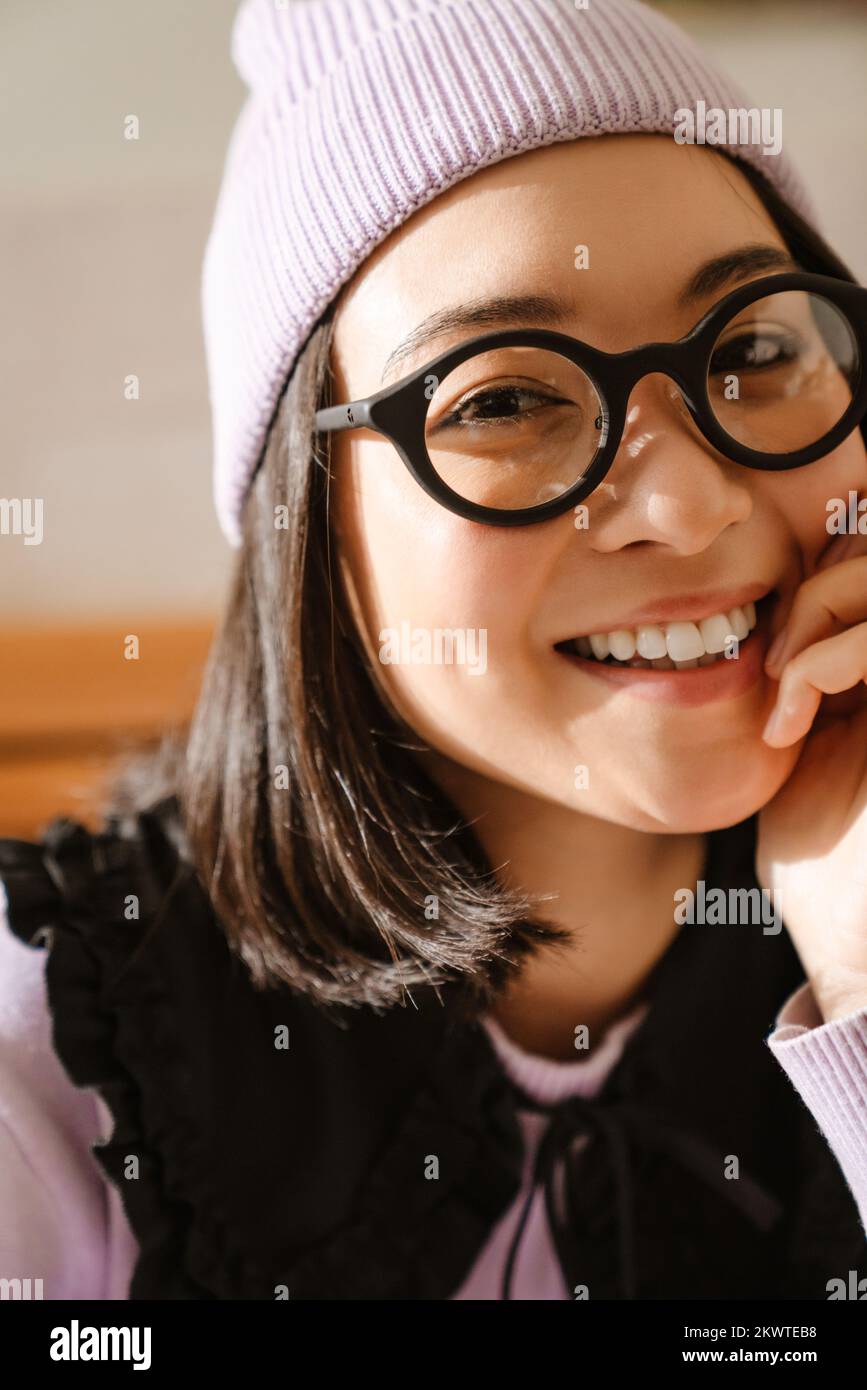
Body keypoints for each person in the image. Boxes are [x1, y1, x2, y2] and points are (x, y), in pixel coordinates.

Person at [1, 0, 866, 1301]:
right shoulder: (67, 1055)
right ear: (310, 527)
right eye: (507, 397)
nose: (694, 501)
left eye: (751, 348)